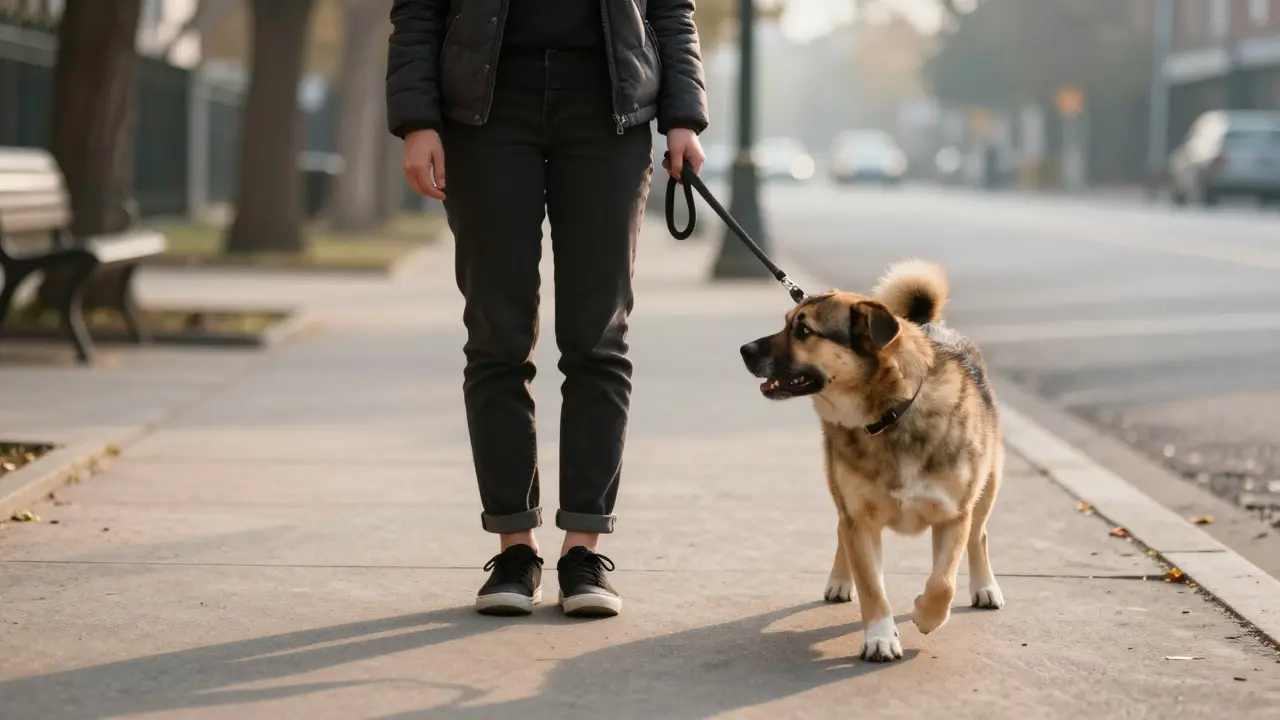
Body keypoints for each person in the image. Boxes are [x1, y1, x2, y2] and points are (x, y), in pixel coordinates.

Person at [386, 0, 708, 618]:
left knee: (598, 340)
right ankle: (515, 548)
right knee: (498, 338)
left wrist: (682, 116)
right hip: (484, 110)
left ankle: (582, 552)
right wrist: (416, 120)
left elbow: (671, 9)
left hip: (609, 109)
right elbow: (419, 10)